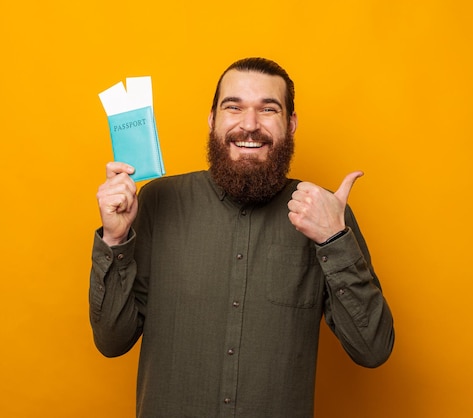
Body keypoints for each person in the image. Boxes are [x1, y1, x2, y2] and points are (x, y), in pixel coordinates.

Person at [90, 57, 394, 417]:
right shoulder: (158, 201)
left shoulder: (324, 212)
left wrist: (334, 240)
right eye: (233, 107)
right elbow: (112, 341)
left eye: (268, 109)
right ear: (212, 120)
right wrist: (114, 238)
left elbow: (372, 350)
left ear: (291, 124)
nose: (249, 126)